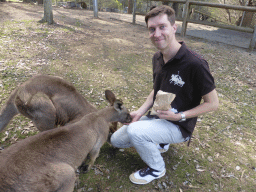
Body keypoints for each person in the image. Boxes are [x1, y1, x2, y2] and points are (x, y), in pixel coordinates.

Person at [110, 5, 219, 185]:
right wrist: (139, 112)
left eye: (162, 27)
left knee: (135, 131)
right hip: (158, 118)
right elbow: (157, 89)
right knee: (115, 140)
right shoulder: (157, 58)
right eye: (152, 29)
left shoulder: (196, 64)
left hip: (179, 126)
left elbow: (213, 103)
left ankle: (157, 168)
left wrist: (180, 116)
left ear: (174, 27)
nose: (157, 33)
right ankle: (161, 141)